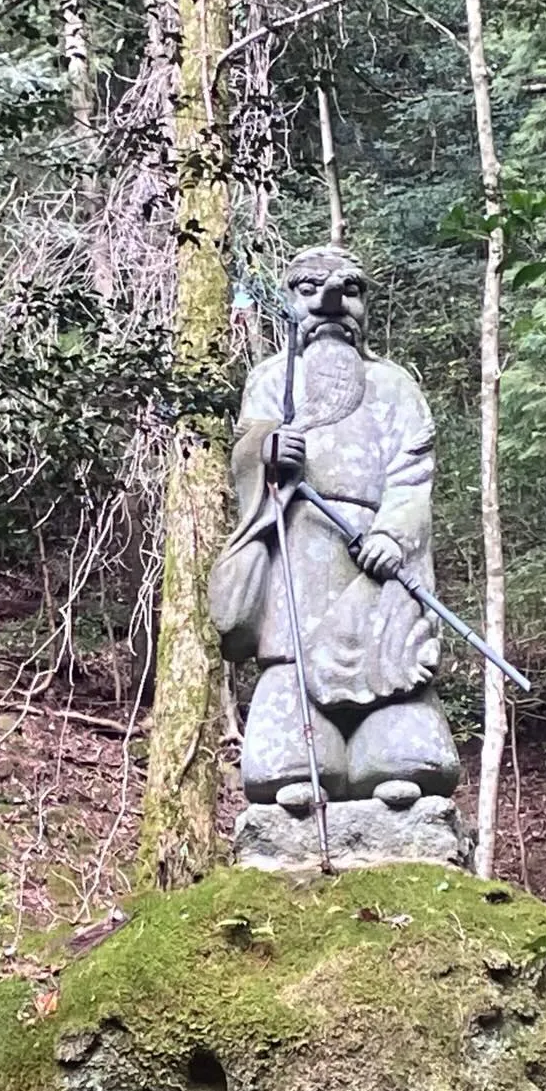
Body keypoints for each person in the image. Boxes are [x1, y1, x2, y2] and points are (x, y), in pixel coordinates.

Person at [210, 246, 460, 809]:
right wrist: (266, 452)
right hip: (297, 549)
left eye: (349, 291)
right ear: (290, 303)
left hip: (374, 560)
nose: (331, 304)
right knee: (292, 702)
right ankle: (302, 762)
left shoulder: (394, 385)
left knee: (400, 712)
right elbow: (249, 453)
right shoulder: (274, 380)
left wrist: (392, 536)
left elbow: (412, 475)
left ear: (364, 304)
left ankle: (389, 756)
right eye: (311, 291)